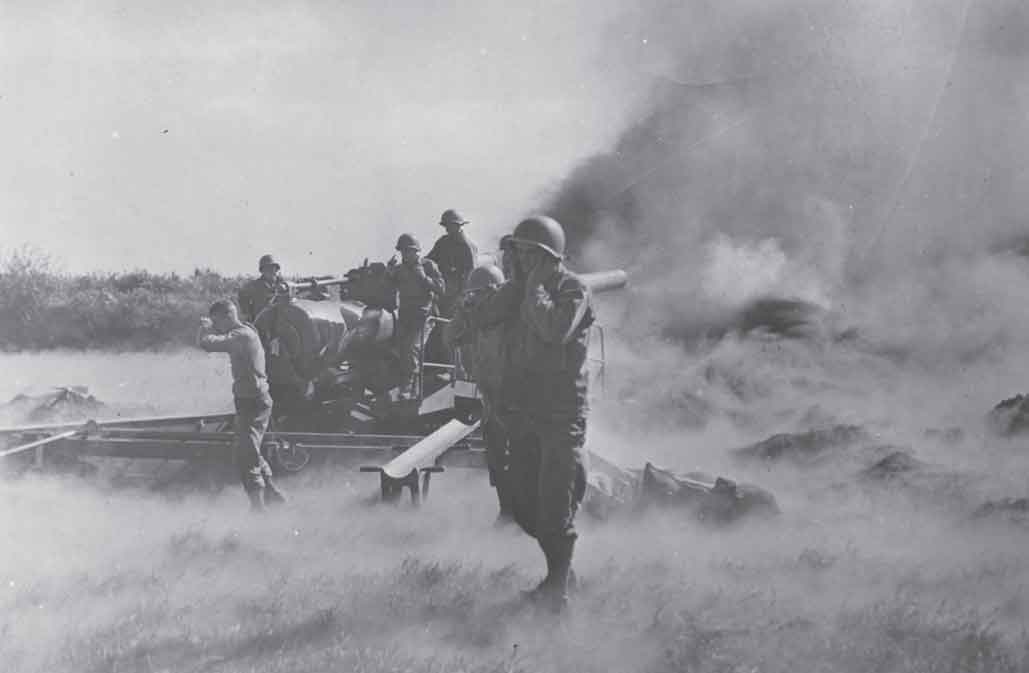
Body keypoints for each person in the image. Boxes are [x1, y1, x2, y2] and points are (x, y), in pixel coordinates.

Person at [469, 215, 593, 613]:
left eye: (528, 253)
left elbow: (555, 331)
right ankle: (562, 575)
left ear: (548, 256)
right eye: (516, 252)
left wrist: (535, 290)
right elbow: (481, 320)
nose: (520, 260)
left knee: (554, 506)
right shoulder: (518, 290)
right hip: (525, 412)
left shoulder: (572, 289)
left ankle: (558, 594)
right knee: (523, 506)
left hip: (561, 413)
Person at [197, 300, 287, 511]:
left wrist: (204, 328)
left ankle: (258, 507)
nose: (217, 325)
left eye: (217, 320)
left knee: (245, 454)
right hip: (251, 399)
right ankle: (273, 494)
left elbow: (208, 343)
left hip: (253, 400)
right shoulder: (244, 332)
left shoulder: (241, 335)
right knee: (250, 450)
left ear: (228, 315)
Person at [443, 263, 513, 524]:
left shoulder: (511, 318)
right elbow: (449, 338)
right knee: (496, 456)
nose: (475, 299)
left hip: (515, 397)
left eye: (480, 294)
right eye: (472, 295)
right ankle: (507, 510)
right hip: (491, 397)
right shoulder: (474, 319)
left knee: (518, 455)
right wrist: (463, 313)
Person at [388, 233, 445, 399]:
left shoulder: (428, 266)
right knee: (400, 350)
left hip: (425, 316)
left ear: (416, 251)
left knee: (412, 348)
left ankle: (408, 389)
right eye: (403, 251)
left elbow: (441, 288)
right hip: (406, 316)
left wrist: (424, 278)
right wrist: (389, 273)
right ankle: (410, 387)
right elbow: (389, 287)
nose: (405, 254)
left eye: (409, 251)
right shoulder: (400, 269)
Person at [427, 209, 478, 318]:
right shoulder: (443, 242)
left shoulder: (468, 247)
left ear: (458, 225)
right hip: (441, 290)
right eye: (445, 226)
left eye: (448, 226)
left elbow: (470, 274)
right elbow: (429, 259)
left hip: (456, 294)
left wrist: (462, 296)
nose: (446, 229)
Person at [238, 254, 289, 323]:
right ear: (262, 271)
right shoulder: (255, 285)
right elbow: (242, 295)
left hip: (281, 321)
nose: (270, 270)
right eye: (267, 268)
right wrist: (248, 314)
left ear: (277, 269)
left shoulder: (284, 284)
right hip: (261, 322)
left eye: (273, 268)